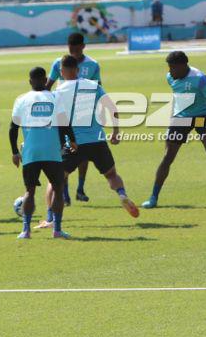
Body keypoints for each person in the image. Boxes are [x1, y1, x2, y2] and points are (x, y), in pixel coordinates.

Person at [41, 55, 139, 226]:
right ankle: (122, 194)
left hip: (73, 143)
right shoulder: (93, 86)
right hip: (97, 140)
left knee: (55, 181)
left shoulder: (58, 93)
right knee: (111, 174)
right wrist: (116, 131)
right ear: (78, 70)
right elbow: (112, 108)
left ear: (61, 72)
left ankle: (50, 218)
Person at [142, 51, 206, 208]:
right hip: (181, 117)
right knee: (167, 157)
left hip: (203, 116)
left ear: (183, 66)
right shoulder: (170, 77)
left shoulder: (200, 79)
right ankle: (153, 198)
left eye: (172, 67)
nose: (169, 71)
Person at [10, 67, 72, 240]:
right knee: (58, 189)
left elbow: (13, 128)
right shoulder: (55, 97)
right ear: (45, 80)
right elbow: (64, 125)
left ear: (30, 81)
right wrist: (68, 144)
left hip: (31, 152)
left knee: (29, 192)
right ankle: (57, 230)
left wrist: (14, 152)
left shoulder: (21, 99)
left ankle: (26, 231)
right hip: (52, 151)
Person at [46, 32, 101, 202]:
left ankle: (80, 188)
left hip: (84, 114)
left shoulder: (93, 65)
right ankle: (65, 193)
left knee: (84, 154)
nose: (74, 53)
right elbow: (48, 85)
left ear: (83, 47)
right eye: (71, 50)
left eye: (77, 50)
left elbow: (98, 87)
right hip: (65, 114)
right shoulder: (59, 63)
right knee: (66, 152)